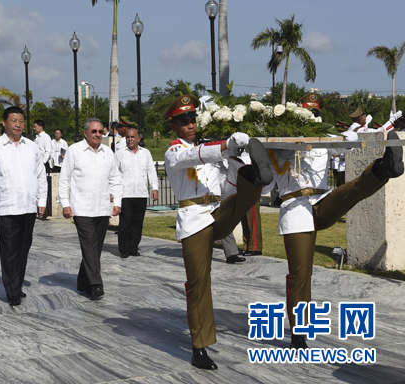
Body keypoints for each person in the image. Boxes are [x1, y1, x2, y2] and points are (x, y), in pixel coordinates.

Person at [163, 94, 273, 370]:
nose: (190, 125)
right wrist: (225, 145)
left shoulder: (211, 154)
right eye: (184, 121)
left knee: (241, 195)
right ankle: (199, 346)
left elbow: (226, 188)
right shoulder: (174, 152)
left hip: (217, 212)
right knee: (199, 283)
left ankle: (256, 177)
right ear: (174, 126)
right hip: (194, 220)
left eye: (192, 120)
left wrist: (236, 160)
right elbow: (194, 155)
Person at [268, 129, 403, 349]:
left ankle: (383, 169)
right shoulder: (279, 147)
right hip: (296, 209)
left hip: (323, 201)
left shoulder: (321, 141)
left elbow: (342, 145)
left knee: (353, 190)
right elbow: (265, 182)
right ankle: (298, 332)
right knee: (300, 275)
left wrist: (346, 138)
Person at [0, 106, 47, 306]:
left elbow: (40, 176)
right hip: (7, 206)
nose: (17, 124)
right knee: (9, 250)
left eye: (21, 121)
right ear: (4, 123)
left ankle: (16, 284)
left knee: (23, 249)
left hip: (28, 206)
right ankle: (12, 291)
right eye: (13, 120)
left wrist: (42, 201)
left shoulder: (32, 146)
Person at [59, 117, 122, 298]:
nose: (97, 134)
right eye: (93, 131)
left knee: (95, 248)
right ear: (86, 132)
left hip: (102, 208)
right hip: (81, 208)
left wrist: (117, 202)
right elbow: (64, 179)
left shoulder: (108, 153)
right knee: (89, 245)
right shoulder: (74, 151)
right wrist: (65, 204)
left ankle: (82, 281)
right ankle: (96, 283)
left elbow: (115, 179)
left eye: (100, 131)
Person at [115, 128, 158, 258]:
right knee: (125, 222)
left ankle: (133, 247)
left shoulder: (146, 153)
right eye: (128, 137)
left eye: (133, 137)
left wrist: (154, 188)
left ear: (139, 139)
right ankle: (124, 249)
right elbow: (114, 174)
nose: (130, 139)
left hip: (141, 194)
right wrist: (113, 191)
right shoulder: (119, 154)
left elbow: (151, 171)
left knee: (137, 222)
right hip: (126, 194)